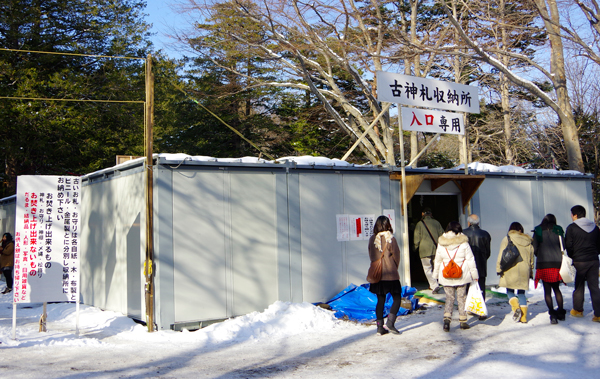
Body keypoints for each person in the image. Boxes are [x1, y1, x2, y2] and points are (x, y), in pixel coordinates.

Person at [432, 221, 479, 332]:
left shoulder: (441, 243)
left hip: (446, 275)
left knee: (449, 298)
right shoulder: (464, 243)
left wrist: (435, 274)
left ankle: (447, 321)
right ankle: (463, 321)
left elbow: (438, 260)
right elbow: (470, 259)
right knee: (461, 297)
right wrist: (474, 275)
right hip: (461, 275)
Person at [368, 215, 403, 335]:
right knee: (397, 298)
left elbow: (371, 255)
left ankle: (379, 327)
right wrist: (393, 267)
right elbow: (396, 256)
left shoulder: (372, 239)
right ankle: (390, 322)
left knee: (380, 300)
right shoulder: (391, 239)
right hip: (390, 274)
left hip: (377, 275)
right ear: (388, 225)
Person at [565, 205, 600, 321]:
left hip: (580, 261)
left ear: (575, 215)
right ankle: (598, 314)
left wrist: (573, 256)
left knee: (579, 286)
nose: (571, 217)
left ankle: (578, 310)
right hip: (594, 260)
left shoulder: (571, 228)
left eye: (571, 215)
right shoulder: (595, 227)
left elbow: (568, 245)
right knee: (594, 287)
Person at [496, 222, 534, 323]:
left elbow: (501, 255)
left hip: (510, 269)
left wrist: (498, 269)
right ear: (521, 230)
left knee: (510, 291)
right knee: (521, 293)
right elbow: (531, 258)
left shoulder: (507, 239)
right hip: (524, 269)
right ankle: (524, 317)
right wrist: (531, 271)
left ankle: (515, 306)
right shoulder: (528, 240)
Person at [533, 214, 566, 324]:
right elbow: (563, 246)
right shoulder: (559, 230)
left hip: (543, 264)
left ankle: (552, 314)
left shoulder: (538, 230)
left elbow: (535, 248)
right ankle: (561, 312)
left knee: (547, 291)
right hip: (557, 263)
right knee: (557, 289)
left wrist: (541, 255)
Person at [413, 207, 444, 294]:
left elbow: (416, 238)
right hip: (436, 248)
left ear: (422, 214)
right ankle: (435, 283)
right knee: (436, 267)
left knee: (427, 268)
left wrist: (415, 247)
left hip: (424, 249)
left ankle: (434, 285)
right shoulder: (437, 223)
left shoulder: (419, 224)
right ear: (431, 214)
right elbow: (442, 234)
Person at [463, 214, 491, 303]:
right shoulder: (485, 234)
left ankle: (470, 306)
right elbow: (488, 252)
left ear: (468, 222)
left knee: (467, 286)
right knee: (481, 287)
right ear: (478, 222)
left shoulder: (463, 233)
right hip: (481, 264)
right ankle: (481, 307)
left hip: (467, 265)